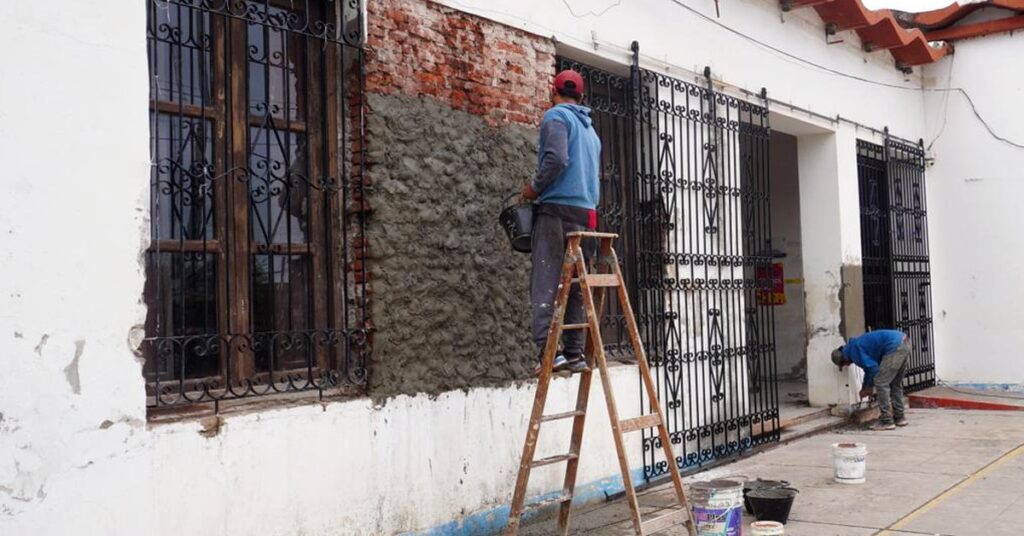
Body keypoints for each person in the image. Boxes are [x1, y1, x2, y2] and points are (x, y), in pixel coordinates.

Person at [521, 69, 602, 374]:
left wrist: (533, 189)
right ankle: (575, 353)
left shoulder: (556, 117)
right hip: (585, 215)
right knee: (576, 285)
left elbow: (556, 159)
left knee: (546, 279)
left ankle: (548, 352)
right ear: (582, 97)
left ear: (552, 91)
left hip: (555, 211)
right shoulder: (591, 133)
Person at [831, 330, 912, 430]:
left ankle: (886, 421)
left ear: (844, 359)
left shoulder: (853, 352)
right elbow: (870, 368)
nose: (847, 365)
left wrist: (868, 387)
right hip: (904, 342)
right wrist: (865, 386)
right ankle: (900, 418)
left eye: (844, 365)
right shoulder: (855, 345)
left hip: (894, 346)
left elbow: (873, 369)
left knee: (881, 383)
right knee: (895, 383)